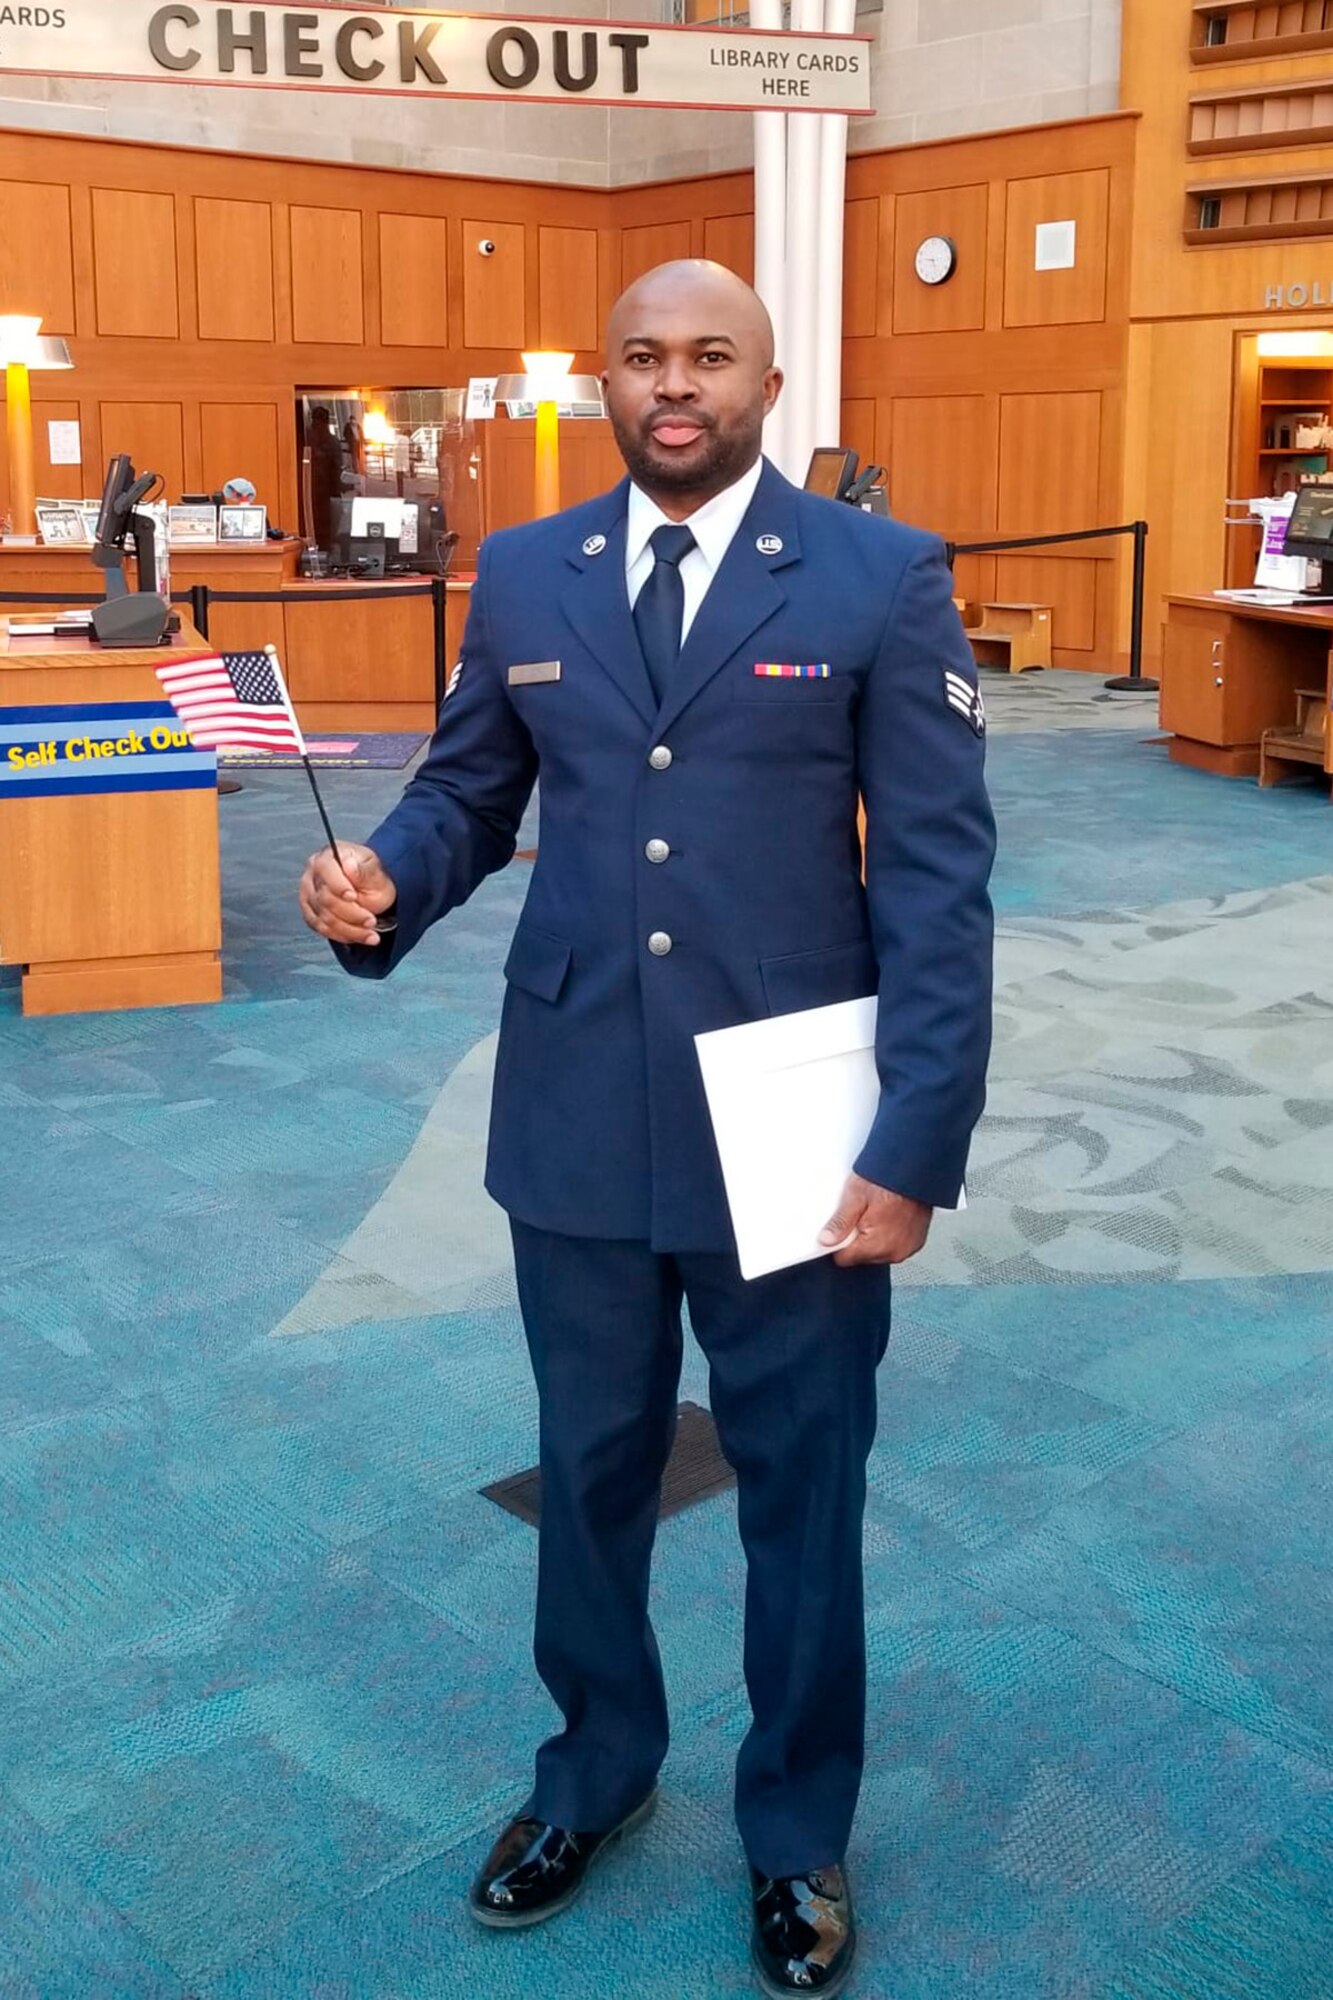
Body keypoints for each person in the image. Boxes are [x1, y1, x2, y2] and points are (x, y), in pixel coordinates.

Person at [298, 260, 995, 1998]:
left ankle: (795, 1828)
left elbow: (932, 881)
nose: (671, 386)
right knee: (593, 1468)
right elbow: (474, 784)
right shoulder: (529, 567)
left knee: (799, 1486)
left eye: (708, 358)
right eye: (641, 359)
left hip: (798, 1130)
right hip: (581, 1111)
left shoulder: (880, 577)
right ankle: (592, 1774)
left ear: (767, 377)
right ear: (603, 382)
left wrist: (914, 1142)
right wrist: (386, 882)